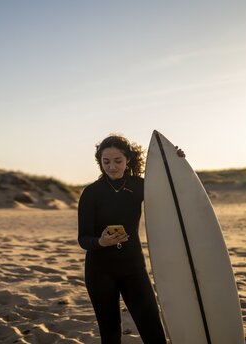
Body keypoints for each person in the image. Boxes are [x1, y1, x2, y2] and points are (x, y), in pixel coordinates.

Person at [77, 134, 185, 343]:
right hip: (100, 271)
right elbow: (83, 239)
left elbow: (172, 189)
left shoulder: (139, 185)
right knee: (110, 332)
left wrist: (177, 162)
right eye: (106, 162)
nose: (112, 167)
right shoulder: (91, 193)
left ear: (128, 159)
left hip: (133, 267)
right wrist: (100, 242)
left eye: (118, 161)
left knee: (152, 326)